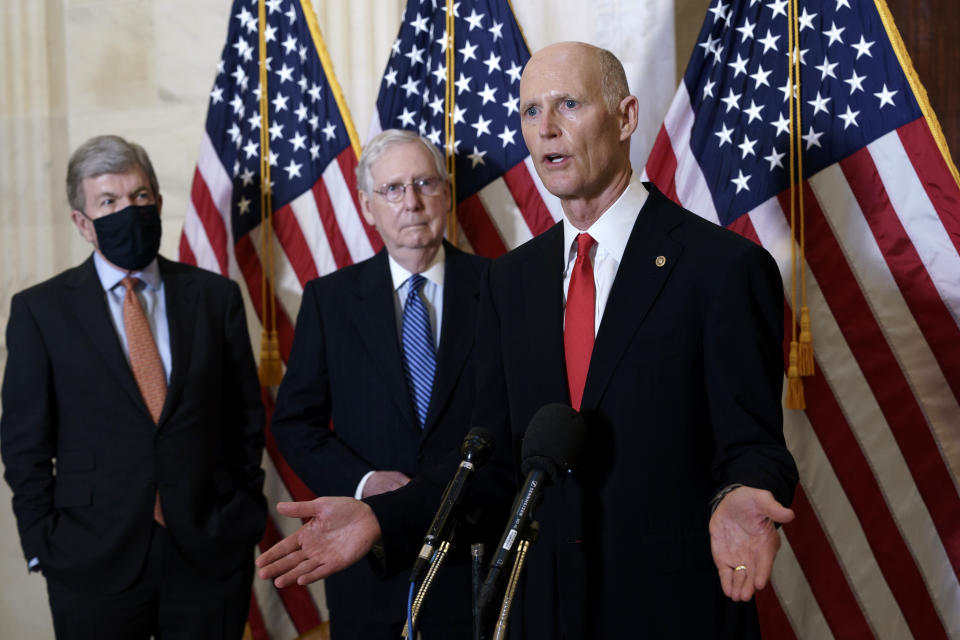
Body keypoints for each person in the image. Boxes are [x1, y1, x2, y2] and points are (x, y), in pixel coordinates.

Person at [257, 43, 798, 638]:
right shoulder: (511, 281)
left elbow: (752, 443)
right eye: (530, 112)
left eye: (569, 103)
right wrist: (380, 517)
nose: (547, 129)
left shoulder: (721, 268)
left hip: (675, 607)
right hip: (543, 610)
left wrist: (744, 491)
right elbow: (490, 466)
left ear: (625, 116)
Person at [1, 134, 266, 640]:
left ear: (159, 203)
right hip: (90, 559)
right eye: (109, 201)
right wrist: (42, 543)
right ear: (83, 222)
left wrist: (242, 516)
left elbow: (245, 422)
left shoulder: (215, 299)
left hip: (209, 553)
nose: (129, 210)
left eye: (140, 197)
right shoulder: (41, 312)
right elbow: (23, 446)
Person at [269, 129, 489, 639]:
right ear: (367, 206)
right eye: (392, 189)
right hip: (369, 565)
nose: (410, 202)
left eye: (424, 183)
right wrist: (365, 483)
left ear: (446, 192)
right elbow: (296, 424)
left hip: (471, 564)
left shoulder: (500, 288)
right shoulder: (329, 300)